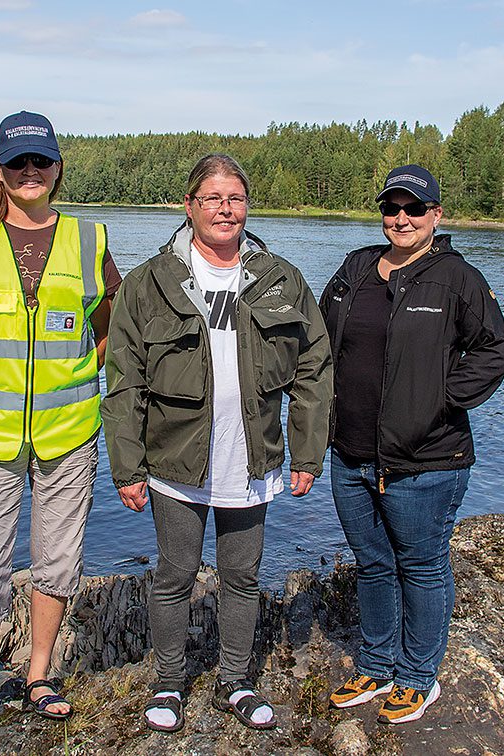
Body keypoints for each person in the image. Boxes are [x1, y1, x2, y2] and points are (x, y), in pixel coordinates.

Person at [101, 154, 332, 733]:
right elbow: (124, 381)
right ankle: (169, 681)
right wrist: (126, 465)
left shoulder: (281, 279)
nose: (225, 209)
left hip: (250, 459)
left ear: (245, 208)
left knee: (243, 576)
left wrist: (307, 454)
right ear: (190, 207)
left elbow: (314, 367)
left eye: (235, 199)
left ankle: (235, 680)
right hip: (174, 461)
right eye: (213, 198)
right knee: (174, 574)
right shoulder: (149, 283)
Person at [0, 111, 121, 727]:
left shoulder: (90, 239)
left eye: (41, 160)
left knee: (58, 561)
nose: (31, 171)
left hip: (69, 433)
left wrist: (77, 378)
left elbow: (108, 323)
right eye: (18, 162)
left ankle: (37, 676)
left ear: (58, 167)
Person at [319, 164, 504, 723]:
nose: (400, 219)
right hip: (351, 453)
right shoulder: (355, 268)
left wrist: (440, 398)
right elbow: (317, 339)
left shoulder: (457, 278)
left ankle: (419, 677)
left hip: (426, 459)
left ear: (435, 216)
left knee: (422, 565)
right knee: (373, 562)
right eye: (391, 208)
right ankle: (377, 665)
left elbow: (491, 352)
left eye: (414, 209)